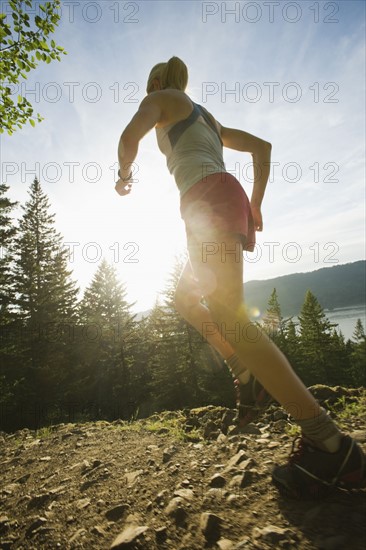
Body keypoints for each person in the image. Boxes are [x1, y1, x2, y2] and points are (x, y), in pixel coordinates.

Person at [115, 56, 365, 499]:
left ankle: (330, 443)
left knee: (232, 319)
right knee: (187, 300)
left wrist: (123, 174)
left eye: (149, 83)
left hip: (207, 200)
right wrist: (255, 204)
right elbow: (263, 147)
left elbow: (128, 136)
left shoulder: (160, 99)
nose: (147, 90)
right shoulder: (206, 118)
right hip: (216, 200)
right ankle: (244, 373)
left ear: (156, 81)